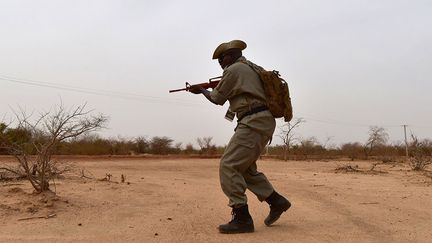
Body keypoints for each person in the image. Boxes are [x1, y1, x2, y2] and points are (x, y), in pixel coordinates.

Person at [189, 40, 291, 234]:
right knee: (244, 170)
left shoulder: (234, 69)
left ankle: (242, 218)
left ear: (232, 55)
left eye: (222, 57)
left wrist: (201, 90)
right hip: (261, 120)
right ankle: (277, 202)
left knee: (229, 165)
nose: (220, 62)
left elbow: (217, 98)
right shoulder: (252, 67)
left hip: (253, 121)